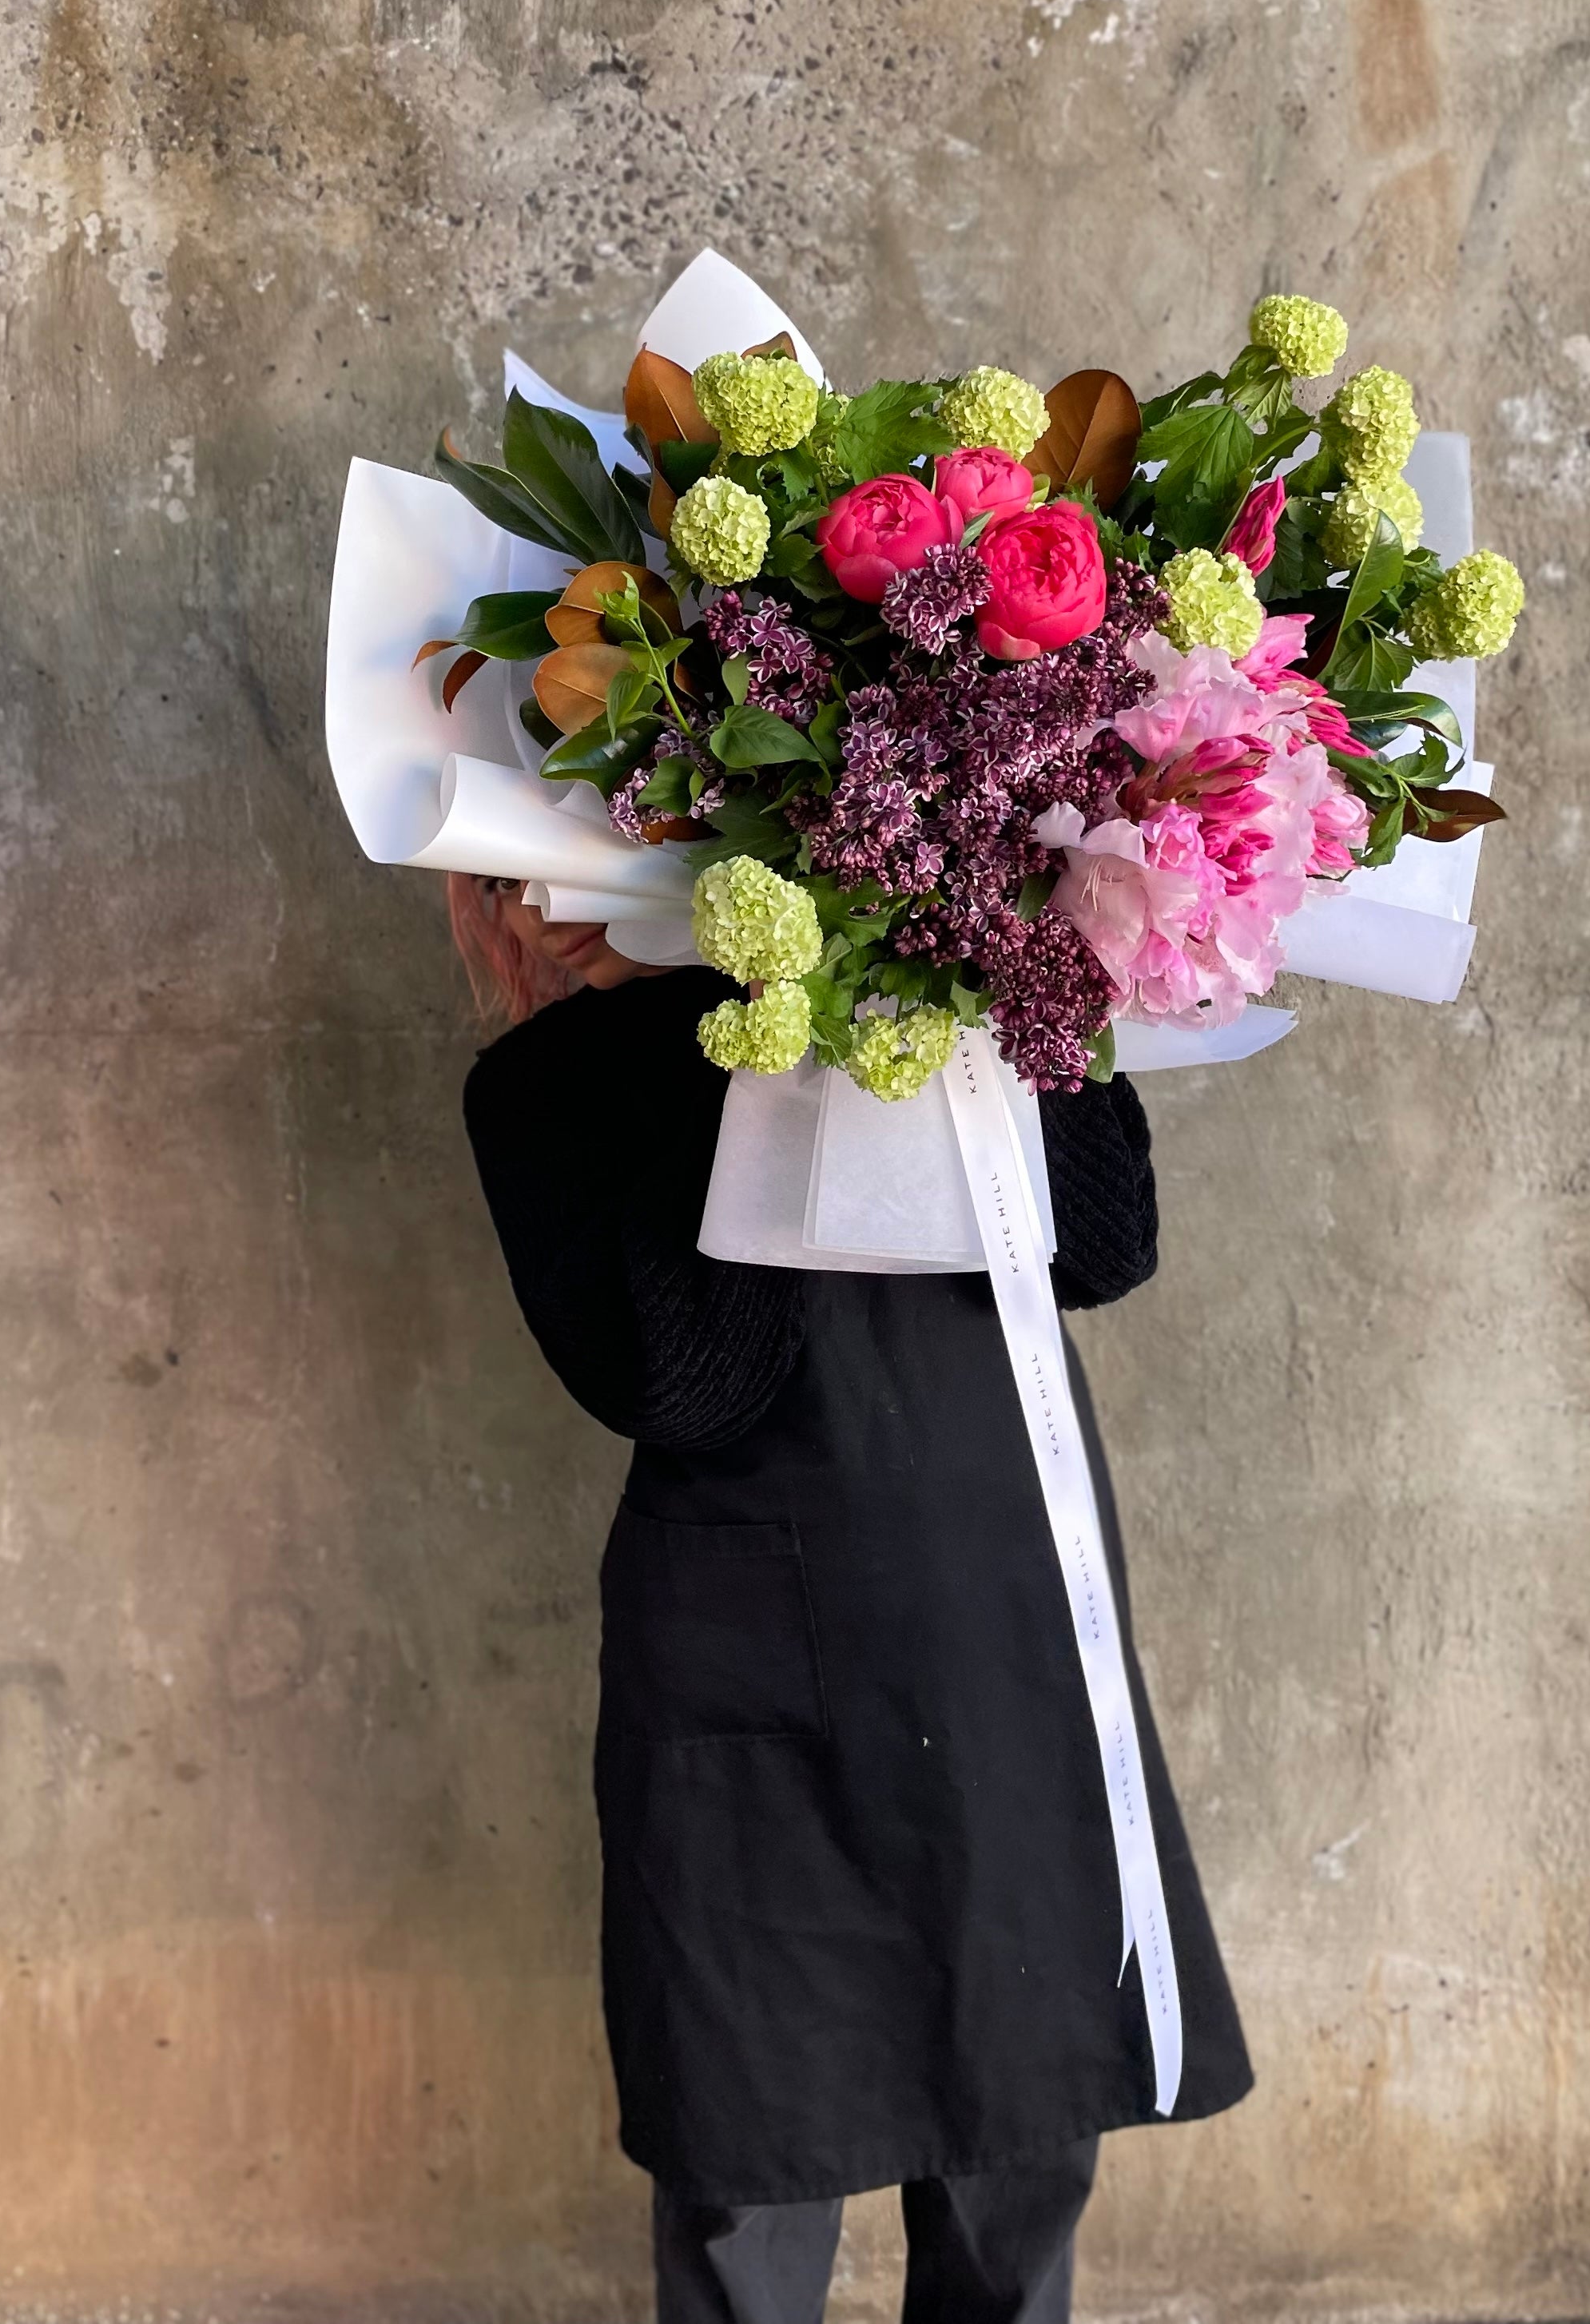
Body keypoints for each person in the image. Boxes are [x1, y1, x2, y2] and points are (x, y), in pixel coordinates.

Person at [451, 876, 1250, 2324]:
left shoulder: (951, 988)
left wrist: (963, 947)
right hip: (743, 1661)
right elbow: (682, 1377)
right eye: (511, 870)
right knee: (749, 2161)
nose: (548, 893)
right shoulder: (545, 1088)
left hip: (998, 1601)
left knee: (1020, 2146)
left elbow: (1108, 1243)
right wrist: (724, 1025)